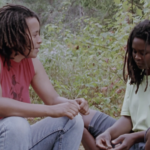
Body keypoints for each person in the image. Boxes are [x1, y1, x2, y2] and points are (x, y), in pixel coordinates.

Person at [0, 4, 90, 150]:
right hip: (10, 135)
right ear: (16, 37)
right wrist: (51, 111)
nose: (40, 40)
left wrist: (72, 104)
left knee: (72, 119)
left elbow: (53, 100)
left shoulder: (32, 63)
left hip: (18, 141)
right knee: (17, 124)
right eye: (35, 35)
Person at [81, 20, 150, 150]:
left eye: (143, 53)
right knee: (78, 118)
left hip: (145, 142)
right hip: (130, 137)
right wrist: (108, 133)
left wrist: (134, 137)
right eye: (134, 51)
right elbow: (128, 119)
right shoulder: (136, 77)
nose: (137, 57)